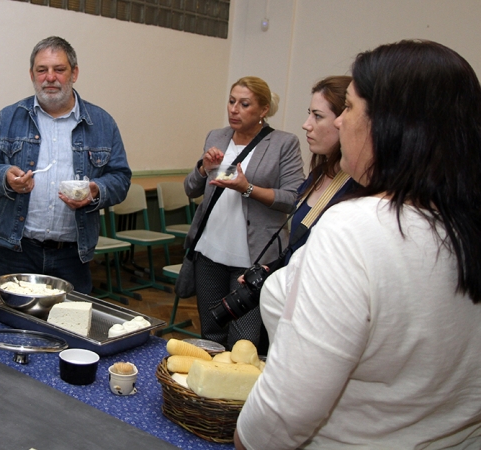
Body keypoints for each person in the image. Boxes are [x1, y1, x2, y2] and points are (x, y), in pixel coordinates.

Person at [235, 40, 481, 449]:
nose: (341, 122)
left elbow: (288, 409)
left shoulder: (356, 228)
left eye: (348, 107)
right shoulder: (461, 222)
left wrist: (246, 439)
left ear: (390, 125)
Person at [0, 36, 132, 294]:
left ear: (74, 73)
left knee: (69, 327)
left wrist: (95, 191)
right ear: (32, 75)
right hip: (17, 250)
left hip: (72, 255)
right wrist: (5, 177)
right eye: (42, 70)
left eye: (59, 69)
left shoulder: (102, 123)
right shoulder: (8, 118)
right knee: (16, 329)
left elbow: (121, 179)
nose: (50, 77)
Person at [183, 76, 304, 351]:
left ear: (263, 110)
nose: (234, 109)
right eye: (231, 101)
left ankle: (239, 394)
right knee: (211, 335)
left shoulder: (284, 143)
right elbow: (191, 189)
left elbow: (293, 198)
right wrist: (203, 167)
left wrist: (247, 188)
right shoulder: (217, 137)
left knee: (244, 341)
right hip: (210, 250)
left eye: (244, 104)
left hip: (252, 258)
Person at [257, 75, 359, 344]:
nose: (306, 125)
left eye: (317, 116)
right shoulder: (318, 174)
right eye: (308, 114)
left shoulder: (355, 189)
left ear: (344, 121)